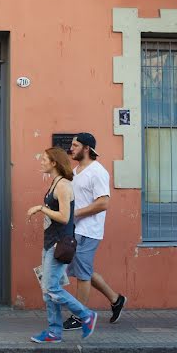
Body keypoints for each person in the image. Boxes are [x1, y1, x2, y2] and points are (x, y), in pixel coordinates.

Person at [26, 147, 98, 343]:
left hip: (59, 244)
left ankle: (86, 315)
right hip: (51, 242)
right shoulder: (55, 182)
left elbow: (65, 217)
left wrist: (41, 209)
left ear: (54, 163)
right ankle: (54, 332)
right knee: (49, 291)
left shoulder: (64, 186)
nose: (41, 162)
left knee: (51, 289)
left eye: (44, 159)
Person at [62, 133, 127, 331]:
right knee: (84, 271)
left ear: (86, 148)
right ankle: (116, 299)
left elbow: (103, 203)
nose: (71, 148)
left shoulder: (97, 172)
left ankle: (80, 316)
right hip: (76, 229)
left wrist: (75, 214)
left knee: (82, 274)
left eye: (75, 145)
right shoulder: (77, 170)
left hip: (89, 230)